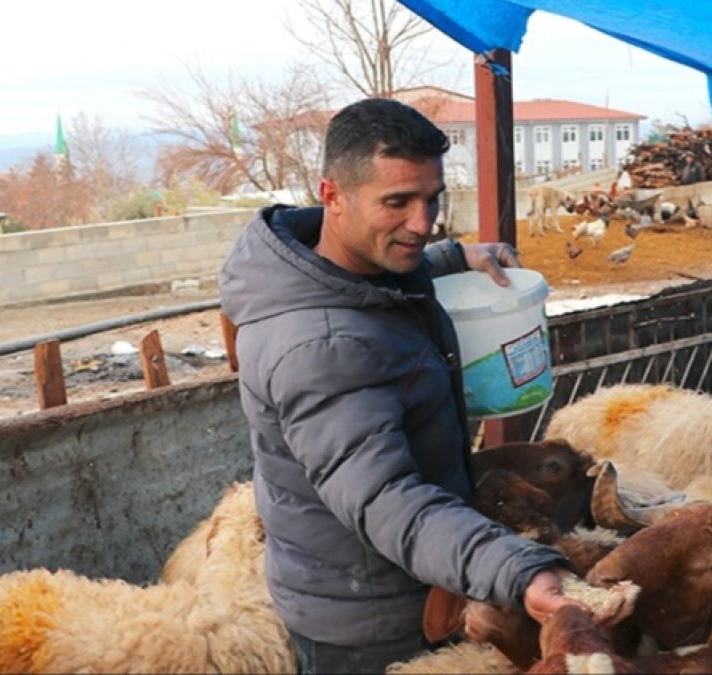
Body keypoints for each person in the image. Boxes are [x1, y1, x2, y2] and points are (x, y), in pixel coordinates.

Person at [219, 98, 584, 674]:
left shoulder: (339, 268)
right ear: (333, 196)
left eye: (431, 198)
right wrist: (515, 568)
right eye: (398, 202)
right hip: (371, 622)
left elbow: (381, 273)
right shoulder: (320, 348)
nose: (422, 222)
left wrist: (451, 256)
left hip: (400, 579)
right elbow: (387, 500)